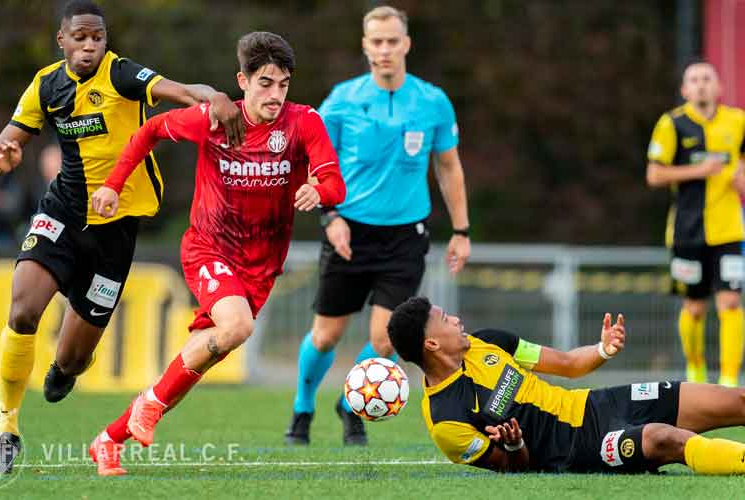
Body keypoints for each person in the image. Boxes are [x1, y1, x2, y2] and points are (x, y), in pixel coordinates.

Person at [0, 0, 244, 475]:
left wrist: (216, 98)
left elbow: (184, 91)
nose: (89, 46)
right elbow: (9, 140)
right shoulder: (46, 84)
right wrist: (0, 156)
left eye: (97, 38)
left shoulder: (122, 74)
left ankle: (64, 369)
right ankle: (7, 430)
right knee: (22, 309)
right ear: (61, 40)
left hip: (117, 231)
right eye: (79, 37)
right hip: (61, 213)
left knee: (73, 362)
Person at [87, 31, 345, 476]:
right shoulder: (213, 120)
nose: (275, 94)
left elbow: (336, 185)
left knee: (203, 357)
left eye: (283, 84)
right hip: (209, 247)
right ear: (241, 81)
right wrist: (112, 185)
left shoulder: (304, 123)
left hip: (261, 265)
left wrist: (316, 189)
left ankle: (110, 438)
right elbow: (150, 130)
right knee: (237, 326)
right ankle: (145, 408)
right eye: (265, 83)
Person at [285, 5, 471, 447]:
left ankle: (349, 404)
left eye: (393, 41)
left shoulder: (432, 102)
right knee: (326, 336)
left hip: (406, 236)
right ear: (365, 46)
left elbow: (449, 168)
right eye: (377, 42)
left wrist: (461, 231)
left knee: (386, 341)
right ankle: (303, 406)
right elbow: (314, 164)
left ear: (406, 44)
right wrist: (330, 218)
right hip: (349, 231)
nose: (385, 49)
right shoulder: (342, 100)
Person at [387, 296, 745, 474]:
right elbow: (517, 469)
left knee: (736, 399)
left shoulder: (488, 342)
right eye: (446, 320)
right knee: (666, 438)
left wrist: (603, 348)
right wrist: (514, 446)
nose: (457, 320)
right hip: (577, 449)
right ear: (431, 344)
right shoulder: (446, 421)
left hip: (596, 405)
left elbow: (569, 365)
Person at [646, 60, 745, 387]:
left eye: (707, 78)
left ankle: (730, 381)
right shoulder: (672, 124)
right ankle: (696, 370)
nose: (701, 84)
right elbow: (655, 174)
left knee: (730, 302)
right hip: (687, 232)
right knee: (695, 308)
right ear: (685, 90)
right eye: (694, 80)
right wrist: (697, 172)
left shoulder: (738, 121)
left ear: (719, 88)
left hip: (729, 230)